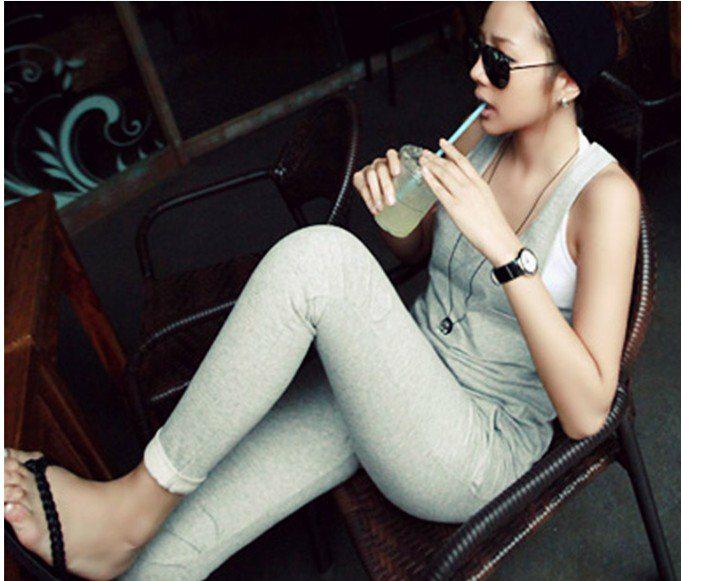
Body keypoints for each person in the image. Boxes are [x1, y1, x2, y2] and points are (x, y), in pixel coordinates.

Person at [4, 2, 641, 579]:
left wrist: (505, 251)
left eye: (499, 61)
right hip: (403, 374)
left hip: (474, 448)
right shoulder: (481, 132)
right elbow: (420, 253)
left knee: (322, 259)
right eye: (477, 48)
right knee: (194, 521)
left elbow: (588, 412)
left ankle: (129, 501)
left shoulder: (605, 198)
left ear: (566, 82)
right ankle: (121, 539)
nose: (476, 72)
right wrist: (395, 214)